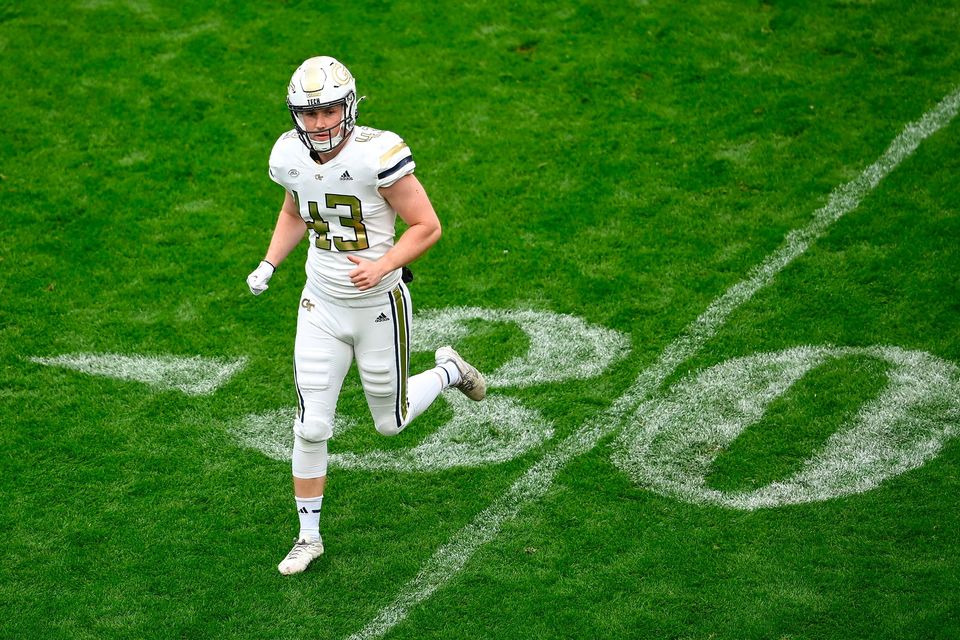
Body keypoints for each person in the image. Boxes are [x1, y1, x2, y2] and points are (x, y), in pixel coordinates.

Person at [246, 56, 486, 576]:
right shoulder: (289, 155)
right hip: (320, 304)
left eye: (328, 110)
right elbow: (294, 210)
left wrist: (384, 265)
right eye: (307, 114)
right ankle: (308, 537)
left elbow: (427, 225)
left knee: (390, 422)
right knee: (310, 426)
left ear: (348, 106)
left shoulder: (378, 154)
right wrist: (269, 262)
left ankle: (448, 371)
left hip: (379, 304)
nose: (318, 124)